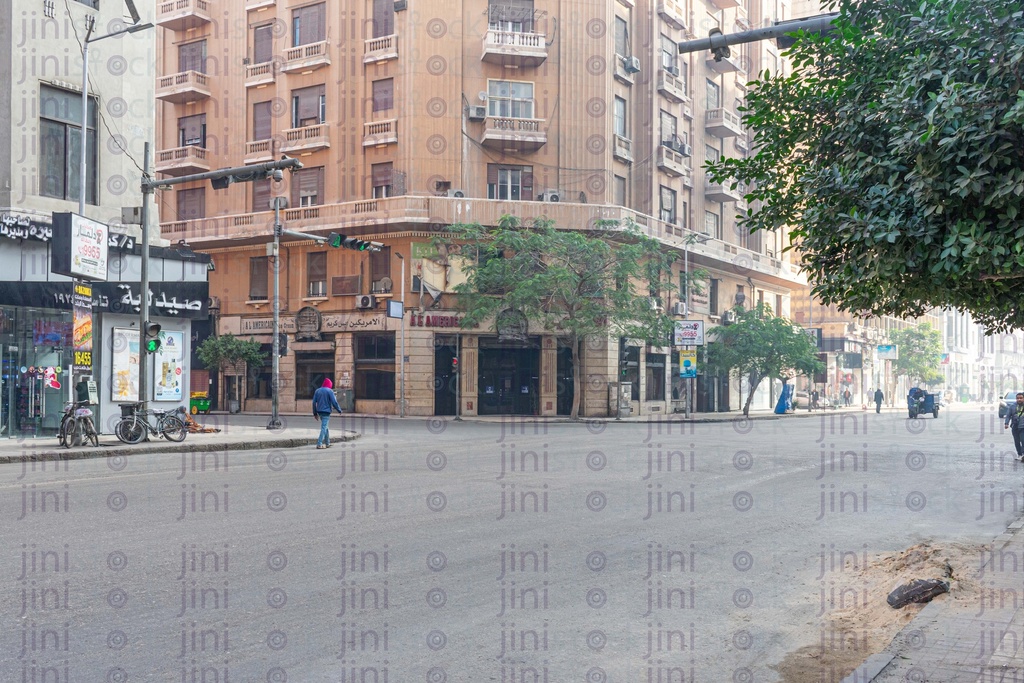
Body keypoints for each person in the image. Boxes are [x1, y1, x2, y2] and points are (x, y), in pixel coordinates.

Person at [312, 378, 343, 449]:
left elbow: (314, 402)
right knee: (324, 427)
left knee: (325, 427)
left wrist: (315, 413)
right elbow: (334, 402)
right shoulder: (330, 391)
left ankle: (327, 443)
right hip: (326, 412)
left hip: (319, 411)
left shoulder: (317, 391)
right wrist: (339, 410)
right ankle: (319, 443)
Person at [1005, 393, 1024, 461]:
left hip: (1023, 427)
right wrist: (1006, 423)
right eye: (1018, 398)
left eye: (1021, 398)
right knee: (1017, 441)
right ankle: (1019, 454)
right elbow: (1008, 415)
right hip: (1015, 426)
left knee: (1023, 440)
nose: (1019, 399)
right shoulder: (1012, 406)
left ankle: (1023, 454)